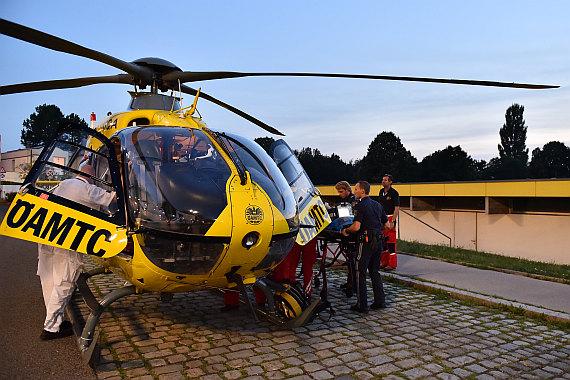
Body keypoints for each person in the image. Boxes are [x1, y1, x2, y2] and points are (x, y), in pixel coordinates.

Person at [37, 163, 116, 340]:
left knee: (48, 278)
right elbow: (111, 199)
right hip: (66, 241)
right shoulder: (86, 188)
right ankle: (50, 329)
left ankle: (55, 322)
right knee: (65, 281)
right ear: (90, 176)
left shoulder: (63, 184)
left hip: (46, 238)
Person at [341, 180, 391, 313]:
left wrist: (346, 231)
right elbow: (387, 226)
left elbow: (356, 226)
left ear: (362, 191)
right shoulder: (378, 205)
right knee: (375, 271)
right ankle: (380, 302)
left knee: (360, 272)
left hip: (366, 241)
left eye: (356, 189)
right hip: (378, 241)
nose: (354, 191)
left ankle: (361, 305)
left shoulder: (360, 206)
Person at [335, 181, 358, 297]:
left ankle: (353, 284)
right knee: (350, 261)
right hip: (349, 232)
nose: (339, 194)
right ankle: (351, 282)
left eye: (341, 192)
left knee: (352, 261)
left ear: (347, 191)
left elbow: (349, 218)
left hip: (351, 233)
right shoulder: (346, 201)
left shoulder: (352, 202)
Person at [378, 174, 400, 270]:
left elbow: (397, 208)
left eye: (386, 180)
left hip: (390, 217)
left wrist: (393, 221)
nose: (384, 181)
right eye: (383, 180)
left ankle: (392, 264)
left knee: (391, 242)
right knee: (383, 242)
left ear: (390, 182)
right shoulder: (381, 192)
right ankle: (384, 262)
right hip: (382, 218)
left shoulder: (394, 193)